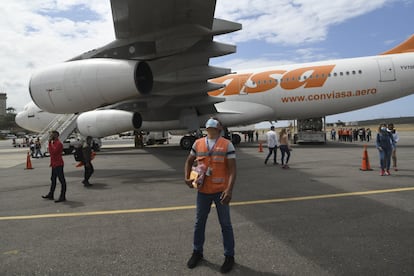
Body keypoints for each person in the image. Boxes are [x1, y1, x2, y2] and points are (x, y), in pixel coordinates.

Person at [184, 118, 237, 273]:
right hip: (203, 191)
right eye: (208, 128)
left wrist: (229, 190)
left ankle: (229, 256)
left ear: (219, 128)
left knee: (225, 225)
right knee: (199, 223)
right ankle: (197, 252)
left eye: (213, 128)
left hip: (221, 191)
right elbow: (189, 161)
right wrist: (187, 177)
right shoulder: (198, 143)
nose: (210, 130)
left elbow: (233, 170)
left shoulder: (227, 144)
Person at [42, 130, 67, 202]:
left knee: (62, 180)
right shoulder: (54, 143)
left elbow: (53, 152)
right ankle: (51, 194)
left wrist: (49, 143)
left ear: (56, 135)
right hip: (54, 164)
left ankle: (62, 196)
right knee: (53, 179)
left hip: (58, 164)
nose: (50, 136)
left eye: (52, 135)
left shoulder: (58, 144)